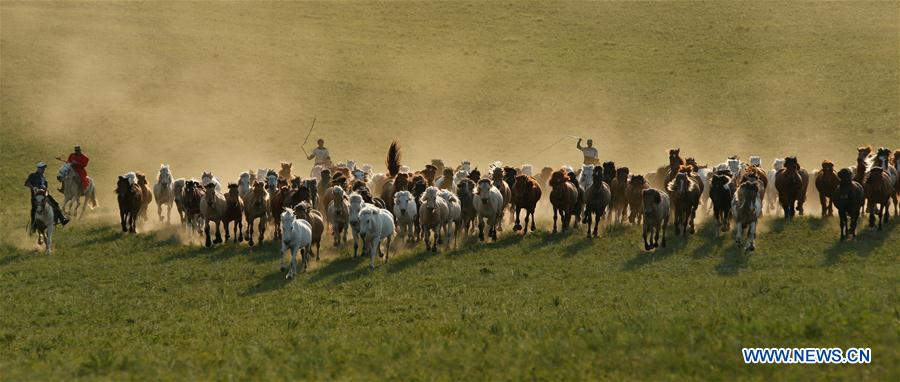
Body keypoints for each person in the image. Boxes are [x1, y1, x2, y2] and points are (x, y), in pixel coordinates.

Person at [25, 162, 69, 231]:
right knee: (34, 208)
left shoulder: (43, 177)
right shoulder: (33, 175)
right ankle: (33, 225)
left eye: (44, 168)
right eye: (42, 168)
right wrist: (33, 187)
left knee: (55, 204)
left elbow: (46, 186)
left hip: (45, 195)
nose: (43, 170)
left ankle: (62, 218)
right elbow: (27, 183)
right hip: (36, 196)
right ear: (38, 168)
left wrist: (45, 187)